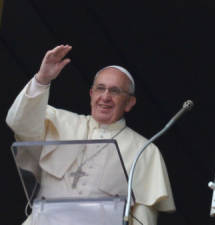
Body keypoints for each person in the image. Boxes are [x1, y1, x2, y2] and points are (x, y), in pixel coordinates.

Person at [6, 45, 175, 225]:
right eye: (100, 88)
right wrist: (42, 80)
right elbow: (18, 122)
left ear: (129, 103)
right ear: (91, 94)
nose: (105, 97)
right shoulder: (59, 122)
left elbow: (143, 218)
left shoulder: (144, 151)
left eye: (115, 91)